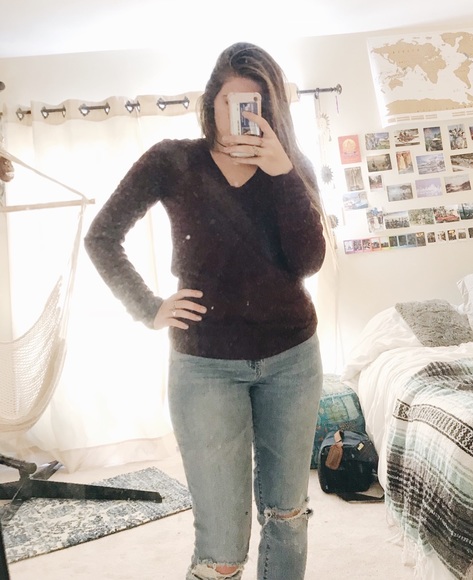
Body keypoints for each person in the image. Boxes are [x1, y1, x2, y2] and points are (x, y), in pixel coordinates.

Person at [84, 42, 326, 580]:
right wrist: (148, 307)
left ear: (272, 109)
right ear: (210, 103)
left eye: (254, 105)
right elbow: (102, 236)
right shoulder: (172, 160)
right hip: (205, 367)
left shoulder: (291, 166)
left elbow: (308, 261)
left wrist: (283, 173)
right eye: (229, 103)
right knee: (221, 548)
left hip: (292, 360)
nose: (241, 117)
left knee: (287, 515)